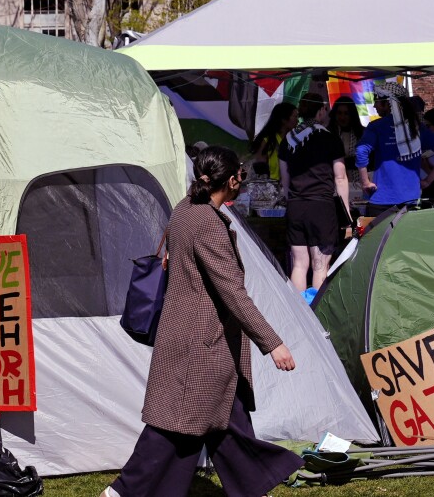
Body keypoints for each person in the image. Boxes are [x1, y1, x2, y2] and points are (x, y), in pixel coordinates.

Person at [108, 146, 301, 497]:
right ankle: (124, 491)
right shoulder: (207, 225)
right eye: (240, 177)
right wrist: (273, 343)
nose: (242, 183)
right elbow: (233, 293)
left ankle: (253, 485)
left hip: (193, 335)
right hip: (202, 343)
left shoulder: (186, 208)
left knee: (229, 419)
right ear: (229, 181)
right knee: (174, 430)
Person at [279, 95, 351, 291]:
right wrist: (347, 212)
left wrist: (292, 200)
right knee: (320, 267)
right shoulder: (330, 138)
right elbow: (340, 177)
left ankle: (298, 316)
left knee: (299, 265)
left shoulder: (288, 140)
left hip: (295, 206)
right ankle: (317, 318)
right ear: (320, 111)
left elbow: (284, 181)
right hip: (321, 207)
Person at [356, 85, 434, 216]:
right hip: (411, 202)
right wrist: (428, 180)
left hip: (381, 201)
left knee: (380, 237)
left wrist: (365, 182)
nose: (375, 106)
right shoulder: (416, 128)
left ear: (388, 103)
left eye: (377, 101)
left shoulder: (377, 127)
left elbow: (361, 151)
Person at [249, 102, 298, 179]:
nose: (297, 121)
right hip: (270, 187)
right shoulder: (267, 142)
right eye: (295, 117)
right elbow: (260, 171)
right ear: (284, 120)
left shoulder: (293, 141)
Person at [331, 96, 366, 202]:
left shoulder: (362, 133)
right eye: (339, 113)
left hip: (358, 186)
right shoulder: (330, 135)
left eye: (346, 113)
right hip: (335, 186)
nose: (342, 117)